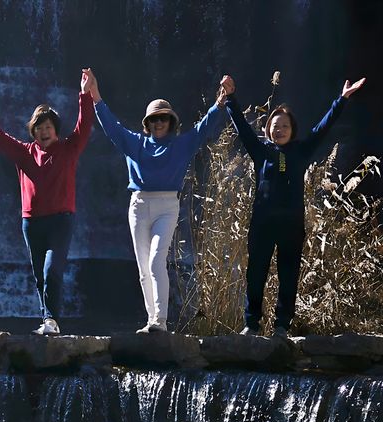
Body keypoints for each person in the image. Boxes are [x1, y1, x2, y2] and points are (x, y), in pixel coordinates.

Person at [84, 68, 235, 333]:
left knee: (156, 261)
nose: (158, 123)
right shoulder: (135, 144)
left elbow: (204, 128)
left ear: (171, 121)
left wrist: (221, 100)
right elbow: (111, 126)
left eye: (163, 118)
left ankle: (161, 322)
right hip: (139, 205)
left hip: (167, 206)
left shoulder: (182, 144)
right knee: (144, 267)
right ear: (148, 123)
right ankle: (151, 320)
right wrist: (95, 94)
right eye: (154, 119)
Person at [226, 77, 366, 338]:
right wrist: (231, 99)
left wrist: (342, 99)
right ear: (268, 130)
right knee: (255, 274)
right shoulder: (261, 151)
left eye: (285, 126)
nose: (279, 130)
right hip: (262, 224)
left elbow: (323, 128)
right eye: (275, 126)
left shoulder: (301, 151)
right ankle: (251, 324)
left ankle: (281, 326)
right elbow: (243, 128)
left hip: (291, 225)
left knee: (288, 276)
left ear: (292, 130)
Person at [0, 71, 94, 335]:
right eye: (39, 128)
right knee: (39, 275)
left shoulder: (69, 148)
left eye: (48, 127)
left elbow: (84, 125)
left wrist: (85, 95)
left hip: (61, 220)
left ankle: (51, 320)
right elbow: (0, 137)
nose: (43, 132)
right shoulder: (25, 152)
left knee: (52, 269)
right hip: (31, 222)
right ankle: (48, 320)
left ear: (56, 130)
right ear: (33, 131)